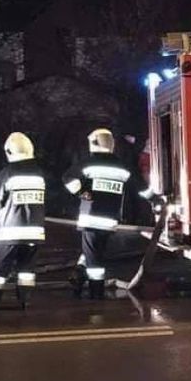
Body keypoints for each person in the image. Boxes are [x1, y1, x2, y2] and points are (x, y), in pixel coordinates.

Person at [64, 128, 135, 299]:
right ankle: (79, 273)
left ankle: (96, 292)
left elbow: (68, 178)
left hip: (90, 218)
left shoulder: (88, 163)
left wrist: (80, 192)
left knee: (94, 260)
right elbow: (138, 187)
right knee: (95, 253)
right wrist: (155, 200)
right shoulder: (122, 166)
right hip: (109, 220)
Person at [0, 132, 46, 310]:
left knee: (0, 268)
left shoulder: (7, 173)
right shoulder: (38, 173)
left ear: (9, 152)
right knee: (26, 268)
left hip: (11, 231)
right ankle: (25, 300)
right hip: (36, 231)